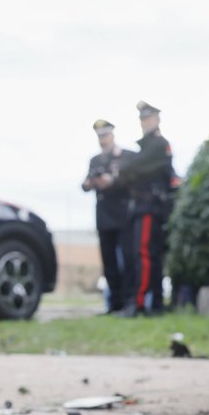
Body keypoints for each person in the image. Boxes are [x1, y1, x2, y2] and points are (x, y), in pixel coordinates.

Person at [115, 101, 173, 317]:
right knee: (150, 255)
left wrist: (129, 169)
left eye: (148, 118)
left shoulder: (158, 145)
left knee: (145, 255)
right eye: (142, 119)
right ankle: (155, 304)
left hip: (150, 207)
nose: (144, 122)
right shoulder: (147, 148)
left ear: (157, 119)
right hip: (144, 207)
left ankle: (139, 303)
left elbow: (133, 167)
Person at [81, 119, 130, 314]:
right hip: (103, 218)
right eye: (100, 136)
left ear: (112, 135)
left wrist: (111, 182)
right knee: (109, 263)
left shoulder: (123, 156)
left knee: (125, 262)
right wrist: (91, 183)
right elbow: (84, 184)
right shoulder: (95, 160)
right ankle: (114, 304)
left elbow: (126, 183)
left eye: (105, 135)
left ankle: (128, 302)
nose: (103, 139)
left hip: (122, 217)